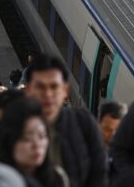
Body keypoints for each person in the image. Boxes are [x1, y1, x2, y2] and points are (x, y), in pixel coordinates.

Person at [25, 54, 107, 187]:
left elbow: (99, 172)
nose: (48, 94)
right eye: (40, 87)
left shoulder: (84, 123)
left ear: (65, 90)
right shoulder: (14, 126)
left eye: (54, 87)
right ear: (28, 90)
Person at [0, 97, 69, 187]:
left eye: (42, 136)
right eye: (27, 138)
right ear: (9, 140)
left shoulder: (56, 177)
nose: (36, 144)